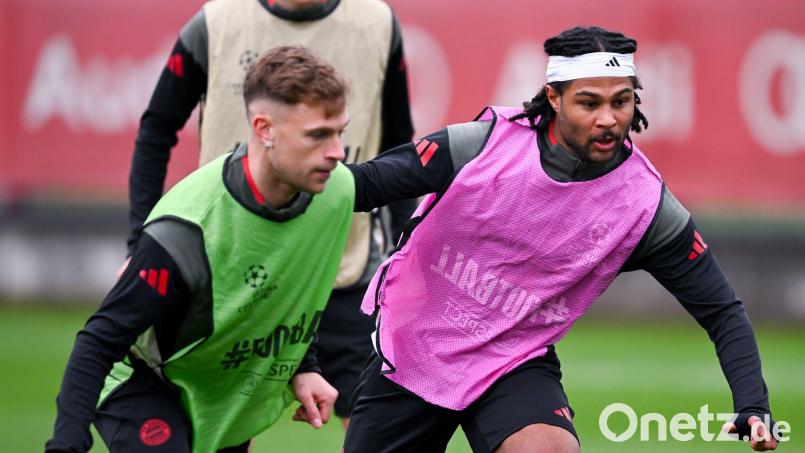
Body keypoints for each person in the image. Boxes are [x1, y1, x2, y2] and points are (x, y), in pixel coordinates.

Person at [336, 26, 779, 452]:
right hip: (417, 345)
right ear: (554, 98)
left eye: (621, 101)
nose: (608, 119)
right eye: (589, 103)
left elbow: (722, 310)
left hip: (513, 357)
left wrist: (752, 404)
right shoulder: (481, 146)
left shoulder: (643, 205)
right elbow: (363, 186)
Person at [47, 45, 355, 453]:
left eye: (340, 133)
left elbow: (281, 297)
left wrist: (304, 365)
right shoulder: (186, 230)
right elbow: (99, 342)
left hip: (219, 387)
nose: (337, 151)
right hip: (142, 381)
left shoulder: (333, 191)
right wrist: (66, 445)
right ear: (264, 129)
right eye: (318, 135)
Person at [127, 0, 415, 428]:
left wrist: (403, 254)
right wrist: (140, 245)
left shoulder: (377, 22)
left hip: (343, 271)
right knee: (220, 428)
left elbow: (397, 144)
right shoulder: (216, 23)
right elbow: (157, 129)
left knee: (378, 430)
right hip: (227, 276)